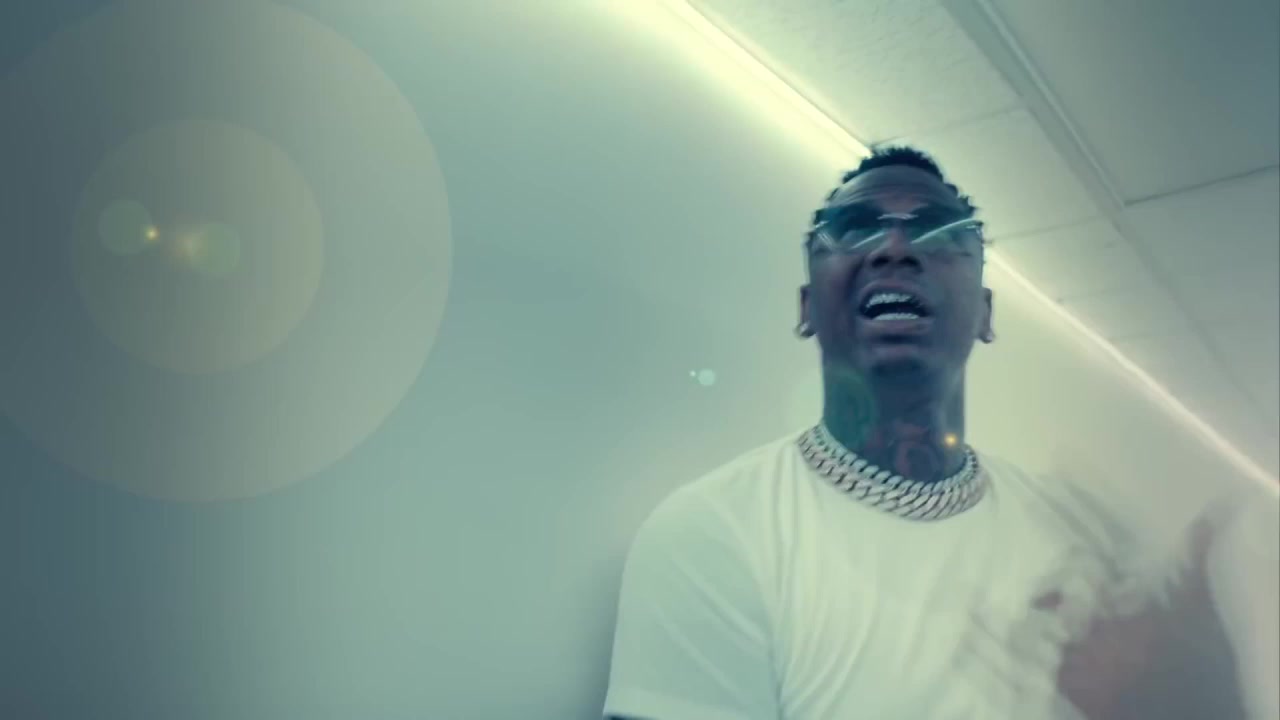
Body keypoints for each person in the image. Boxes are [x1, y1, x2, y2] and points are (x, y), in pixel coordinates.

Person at [603, 146, 1277, 719]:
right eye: (855, 229)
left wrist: (1206, 703)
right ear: (808, 307)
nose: (895, 249)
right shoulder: (714, 533)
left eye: (938, 234)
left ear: (984, 313)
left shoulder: (1077, 559)